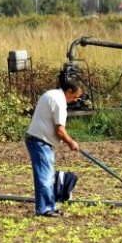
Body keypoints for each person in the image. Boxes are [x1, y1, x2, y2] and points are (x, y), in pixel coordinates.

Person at [25, 79, 82, 217]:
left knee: (48, 175)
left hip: (39, 140)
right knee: (45, 176)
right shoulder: (59, 102)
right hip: (40, 141)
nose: (75, 100)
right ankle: (44, 209)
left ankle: (49, 206)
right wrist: (71, 143)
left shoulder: (52, 94)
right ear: (69, 91)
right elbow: (60, 131)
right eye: (74, 97)